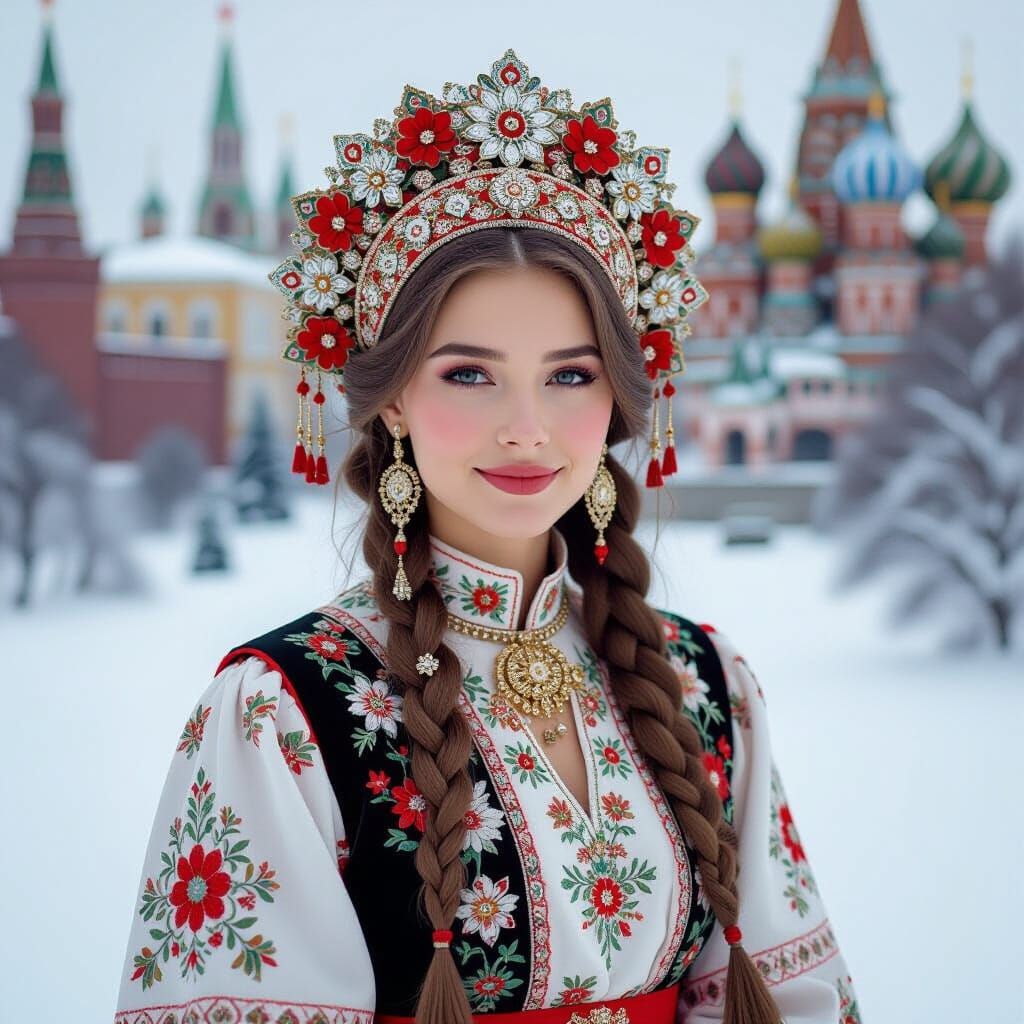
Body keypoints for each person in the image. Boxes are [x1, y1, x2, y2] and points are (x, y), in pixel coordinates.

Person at [113, 50, 860, 1024]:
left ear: (622, 403)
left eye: (570, 374)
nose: (526, 426)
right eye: (468, 373)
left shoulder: (704, 684)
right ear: (392, 404)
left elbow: (794, 999)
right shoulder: (283, 716)